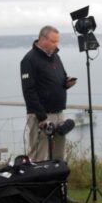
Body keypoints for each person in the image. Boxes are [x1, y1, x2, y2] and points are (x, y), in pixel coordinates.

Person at [21, 25, 76, 161]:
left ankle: (57, 182)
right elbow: (29, 91)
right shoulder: (29, 60)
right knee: (38, 156)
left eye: (57, 41)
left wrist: (66, 82)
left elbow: (61, 77)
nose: (56, 44)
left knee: (59, 156)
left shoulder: (56, 57)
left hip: (59, 114)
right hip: (41, 117)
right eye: (53, 41)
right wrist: (42, 117)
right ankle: (36, 182)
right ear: (42, 39)